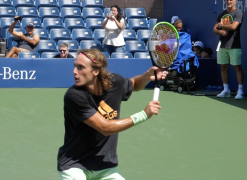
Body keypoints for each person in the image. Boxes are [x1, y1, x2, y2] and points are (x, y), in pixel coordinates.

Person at [57, 48, 168, 180]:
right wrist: (144, 114)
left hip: (104, 167)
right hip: (74, 165)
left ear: (96, 71)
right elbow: (105, 128)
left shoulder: (114, 82)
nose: (74, 71)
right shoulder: (74, 96)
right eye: (75, 66)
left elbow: (134, 83)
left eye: (80, 67)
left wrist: (146, 76)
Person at [213, 0, 244, 99]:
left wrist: (221, 26)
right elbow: (214, 29)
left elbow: (234, 26)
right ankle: (226, 90)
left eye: (231, 0)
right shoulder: (222, 14)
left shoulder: (238, 13)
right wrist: (220, 32)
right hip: (222, 45)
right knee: (223, 67)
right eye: (227, 0)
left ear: (235, 1)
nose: (229, 1)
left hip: (234, 45)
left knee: (237, 67)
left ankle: (240, 91)